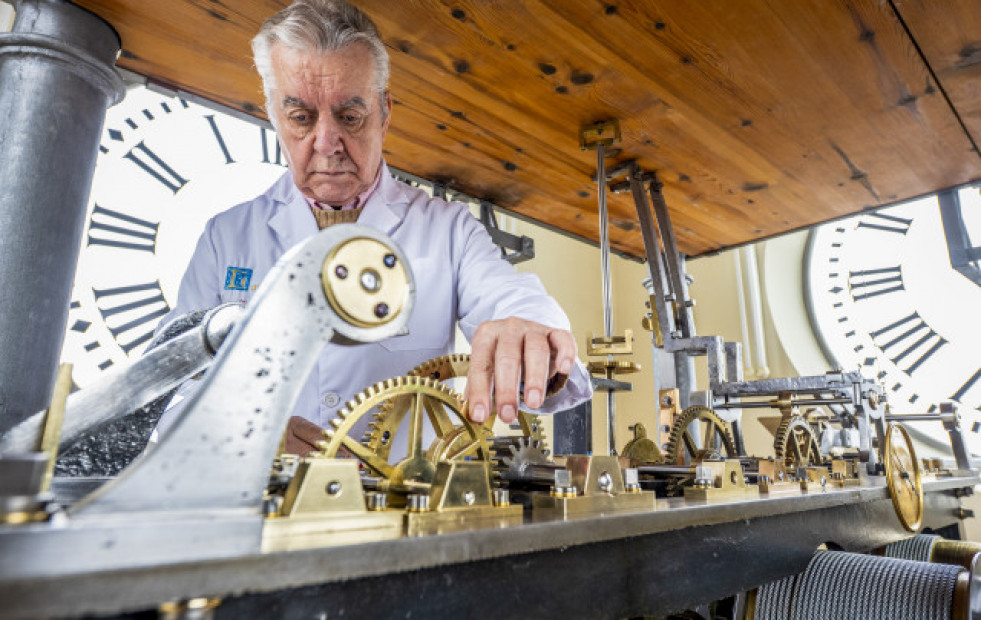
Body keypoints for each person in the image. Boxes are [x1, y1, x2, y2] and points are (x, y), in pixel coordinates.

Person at [156, 0, 592, 454]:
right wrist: (244, 433)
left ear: (384, 112)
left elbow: (510, 298)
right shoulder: (224, 237)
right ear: (273, 114)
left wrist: (530, 331)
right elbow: (167, 388)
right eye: (301, 118)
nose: (327, 144)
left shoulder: (446, 231)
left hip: (405, 513)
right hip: (260, 513)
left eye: (349, 117)